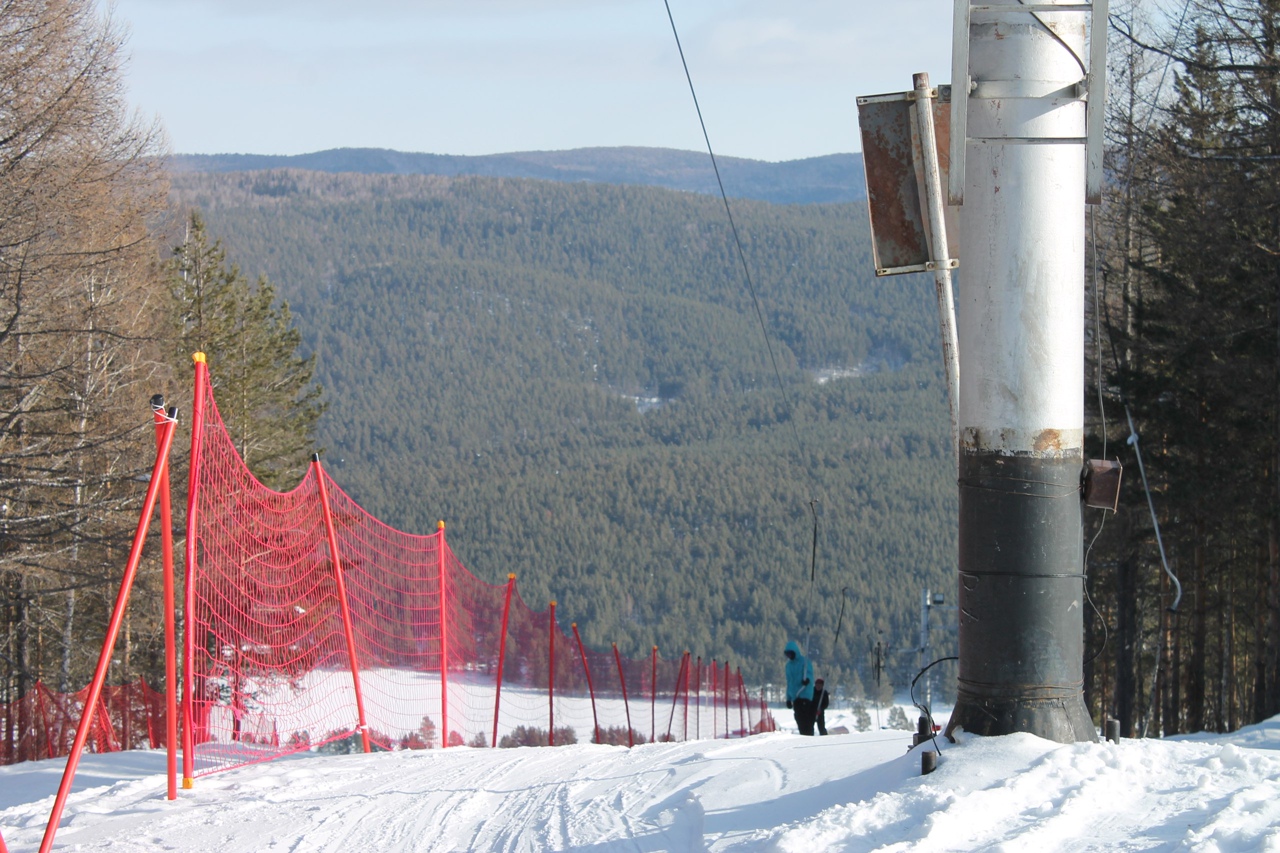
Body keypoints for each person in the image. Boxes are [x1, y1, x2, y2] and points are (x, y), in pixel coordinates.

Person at [783, 640, 816, 735]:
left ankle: (809, 736)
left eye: (791, 653)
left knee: (806, 720)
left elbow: (809, 673)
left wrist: (807, 680)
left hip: (805, 694)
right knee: (799, 719)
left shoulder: (804, 662)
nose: (789, 656)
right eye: (787, 654)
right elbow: (789, 682)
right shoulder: (788, 666)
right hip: (795, 697)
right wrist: (788, 698)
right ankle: (804, 736)